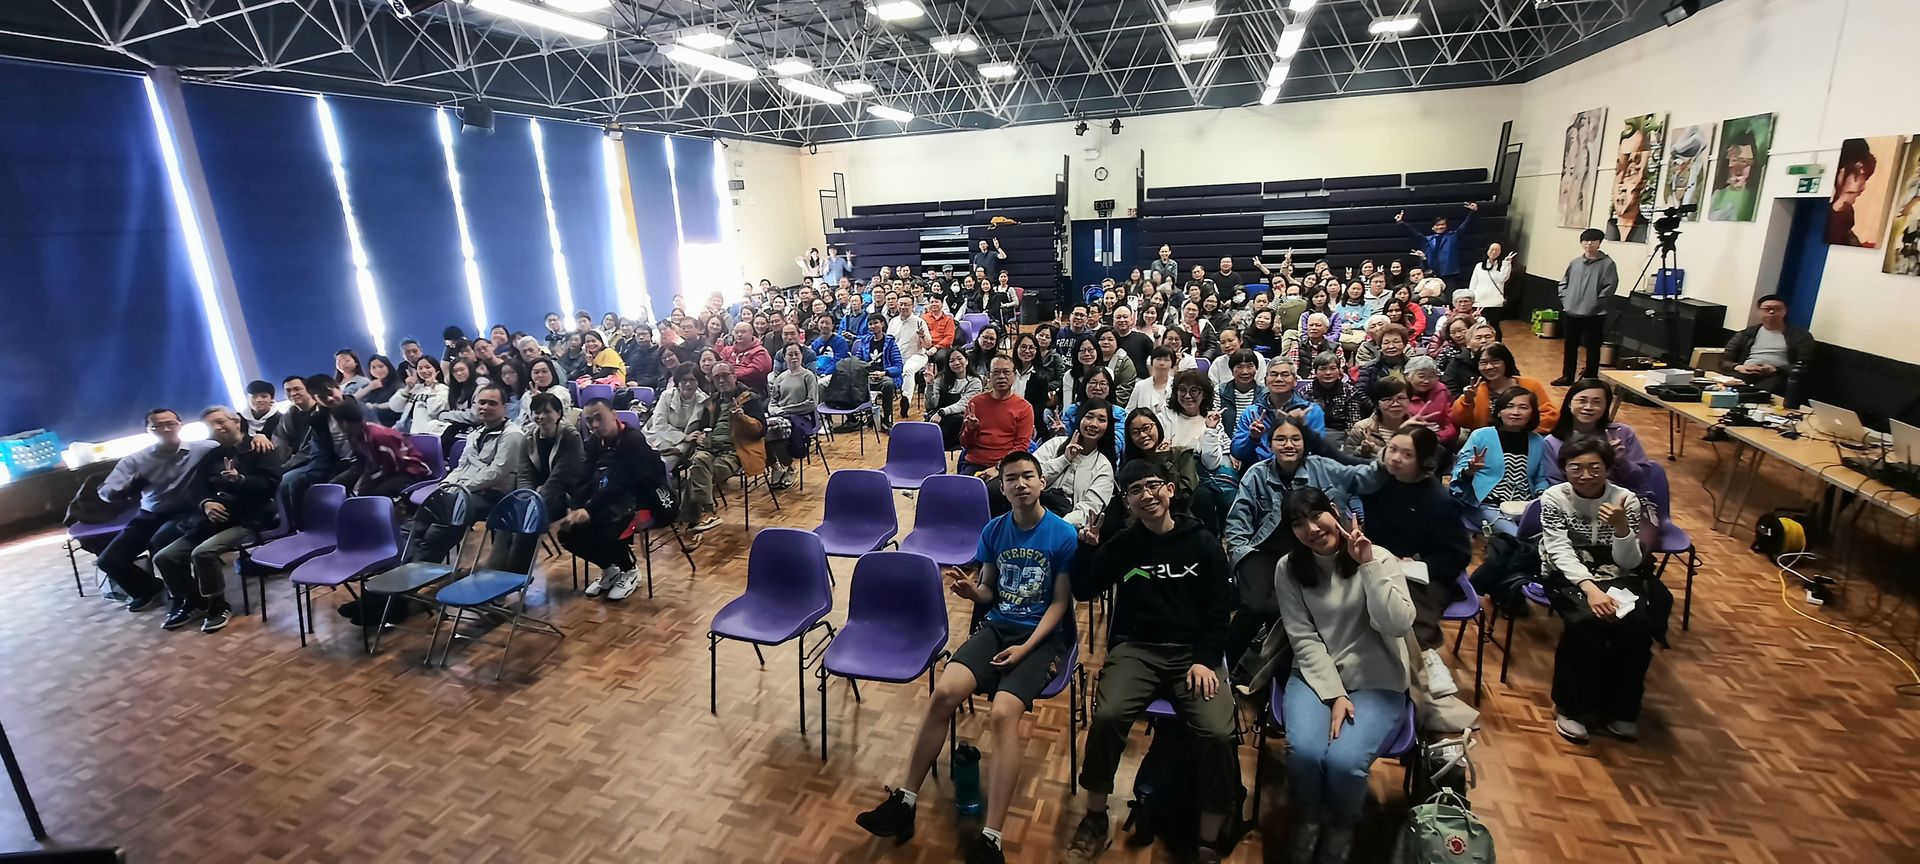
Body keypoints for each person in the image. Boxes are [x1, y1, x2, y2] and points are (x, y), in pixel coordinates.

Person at [856, 452, 1076, 864]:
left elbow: (1060, 604)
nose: (1021, 484)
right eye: (1012, 479)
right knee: (944, 693)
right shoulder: (993, 531)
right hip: (997, 627)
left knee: (1002, 715)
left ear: (1042, 481)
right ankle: (905, 801)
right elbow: (990, 590)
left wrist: (1025, 649)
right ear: (1003, 487)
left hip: (1042, 639)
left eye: (1028, 476)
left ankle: (991, 836)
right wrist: (973, 594)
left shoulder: (1061, 534)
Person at [1062, 459, 1238, 864]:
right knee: (1107, 717)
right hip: (1137, 648)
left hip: (1192, 654)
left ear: (1170, 490)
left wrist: (1206, 659)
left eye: (1153, 485)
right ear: (1128, 503)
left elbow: (1221, 607)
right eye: (1136, 491)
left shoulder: (1202, 541)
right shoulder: (1126, 545)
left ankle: (1208, 842)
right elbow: (1087, 588)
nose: (1147, 495)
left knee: (1217, 734)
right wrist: (1087, 551)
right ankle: (1094, 819)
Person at [1271, 487, 1416, 864]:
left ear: (1333, 511)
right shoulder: (1289, 569)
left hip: (1376, 677)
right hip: (1317, 675)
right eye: (1298, 524)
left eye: (1316, 515)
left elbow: (1397, 624)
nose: (1312, 529)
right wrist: (1335, 693)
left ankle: (1341, 824)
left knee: (1344, 761)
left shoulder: (1378, 557)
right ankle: (1310, 818)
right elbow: (1302, 636)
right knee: (1303, 753)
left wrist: (1366, 565)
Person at [1224, 417, 1384, 665]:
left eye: (1295, 439)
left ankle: (1273, 667)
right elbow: (1237, 520)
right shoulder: (1257, 473)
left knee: (1286, 610)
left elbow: (1360, 481)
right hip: (1261, 551)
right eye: (1281, 439)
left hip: (1309, 551)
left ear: (1304, 442)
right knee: (1254, 606)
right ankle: (1224, 663)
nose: (1289, 445)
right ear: (1270, 443)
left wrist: (1381, 456)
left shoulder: (1323, 467)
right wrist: (1241, 553)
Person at [1540, 435, 1666, 744]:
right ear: (1564, 470)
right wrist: (1591, 588)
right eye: (1575, 468)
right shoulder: (1554, 498)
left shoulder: (1625, 500)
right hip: (1568, 575)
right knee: (1585, 625)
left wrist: (1622, 528)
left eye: (1594, 468)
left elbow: (1630, 561)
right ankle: (1570, 707)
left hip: (1619, 575)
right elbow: (1559, 551)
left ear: (1607, 468)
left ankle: (1621, 709)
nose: (1585, 476)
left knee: (1637, 628)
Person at [1360, 426, 1472, 698]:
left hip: (1425, 569)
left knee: (1405, 608)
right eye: (1393, 449)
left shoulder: (1438, 499)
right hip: (1376, 558)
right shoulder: (1377, 481)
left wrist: (1418, 563)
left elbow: (1457, 554)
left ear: (1422, 461)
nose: (1396, 458)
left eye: (1407, 454)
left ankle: (1425, 657)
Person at [149, 406, 280, 632]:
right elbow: (197, 489)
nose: (216, 428)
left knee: (203, 553)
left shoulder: (260, 448)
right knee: (164, 557)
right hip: (213, 519)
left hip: (249, 519)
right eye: (210, 425)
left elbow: (269, 486)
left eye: (220, 422)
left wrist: (240, 480)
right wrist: (206, 503)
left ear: (236, 422)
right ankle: (192, 601)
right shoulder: (212, 454)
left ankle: (218, 605)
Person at [400, 384, 529, 566]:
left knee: (442, 525)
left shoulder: (513, 435)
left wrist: (460, 488)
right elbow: (461, 466)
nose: (485, 407)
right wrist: (446, 485)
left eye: (492, 403)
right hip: (464, 491)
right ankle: (400, 566)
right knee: (421, 518)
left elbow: (495, 473)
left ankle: (417, 571)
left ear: (504, 407)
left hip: (494, 496)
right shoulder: (475, 433)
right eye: (481, 402)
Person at [565, 399, 667, 601]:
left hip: (644, 499)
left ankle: (630, 570)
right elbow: (583, 477)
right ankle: (610, 568)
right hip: (609, 498)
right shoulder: (594, 442)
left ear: (614, 415)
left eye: (599, 418)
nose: (594, 425)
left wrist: (590, 509)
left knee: (605, 527)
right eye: (589, 421)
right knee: (569, 533)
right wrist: (576, 507)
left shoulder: (633, 440)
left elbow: (623, 481)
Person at [680, 363, 766, 539]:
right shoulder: (713, 401)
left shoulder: (750, 399)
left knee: (698, 473)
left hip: (736, 451)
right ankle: (705, 513)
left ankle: (696, 515)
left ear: (735, 376)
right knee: (699, 461)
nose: (721, 380)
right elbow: (704, 426)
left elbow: (761, 431)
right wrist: (701, 437)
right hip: (711, 447)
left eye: (725, 375)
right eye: (716, 377)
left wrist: (743, 418)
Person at [1452, 387, 1549, 535]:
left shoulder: (1538, 441)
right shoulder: (1481, 435)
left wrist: (1542, 496)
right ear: (1499, 411)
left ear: (1532, 413)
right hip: (1486, 504)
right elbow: (1459, 472)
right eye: (1509, 406)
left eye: (1523, 407)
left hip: (1524, 505)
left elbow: (1540, 477)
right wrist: (1470, 470)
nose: (1515, 412)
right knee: (1518, 537)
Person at [1546, 379, 1650, 488]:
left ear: (1606, 407)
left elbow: (1642, 479)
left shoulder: (1622, 432)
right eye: (1582, 401)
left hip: (1626, 498)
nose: (1588, 407)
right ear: (1569, 403)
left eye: (1597, 402)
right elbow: (1555, 484)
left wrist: (1621, 461)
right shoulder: (1553, 441)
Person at [1029, 399, 1116, 527]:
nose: (1093, 424)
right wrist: (1064, 459)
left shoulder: (1103, 467)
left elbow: (1088, 509)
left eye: (1101, 420)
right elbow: (1030, 479)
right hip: (1032, 513)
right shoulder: (1055, 444)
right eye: (1089, 417)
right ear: (1080, 418)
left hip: (1066, 528)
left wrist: (1058, 527)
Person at [1554, 228, 1618, 385]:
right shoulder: (1575, 263)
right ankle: (1567, 376)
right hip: (1571, 311)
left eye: (1593, 241)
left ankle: (1591, 377)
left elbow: (1609, 287)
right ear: (1581, 243)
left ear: (1599, 243)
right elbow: (1564, 282)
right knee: (1570, 345)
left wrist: (1596, 304)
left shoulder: (1607, 264)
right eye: (1586, 241)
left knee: (1593, 347)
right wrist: (1565, 299)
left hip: (1595, 314)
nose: (1589, 244)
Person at [332, 399, 432, 498]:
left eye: (337, 422)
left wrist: (371, 479)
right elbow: (368, 462)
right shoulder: (354, 436)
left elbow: (395, 467)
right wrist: (364, 478)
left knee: (376, 495)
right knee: (361, 492)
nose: (336, 426)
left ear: (344, 423)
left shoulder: (378, 436)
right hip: (389, 470)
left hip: (411, 471)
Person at [1718, 294, 1817, 394]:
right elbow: (1724, 360)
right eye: (1767, 309)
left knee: (1761, 393)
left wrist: (1776, 370)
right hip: (1747, 372)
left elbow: (1804, 364)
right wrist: (1740, 367)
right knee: (1724, 388)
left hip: (1778, 375)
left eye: (1777, 309)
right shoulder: (1746, 334)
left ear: (1785, 311)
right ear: (1759, 312)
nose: (1771, 312)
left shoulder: (1799, 335)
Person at [1232, 360, 1326, 464]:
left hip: (1301, 470)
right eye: (1273, 374)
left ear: (1295, 381)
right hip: (1261, 472)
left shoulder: (1311, 412)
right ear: (1266, 380)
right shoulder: (1252, 413)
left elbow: (1319, 453)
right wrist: (1252, 438)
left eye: (1285, 375)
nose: (1279, 379)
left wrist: (1304, 429)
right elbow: (1237, 453)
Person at [1450, 342, 1557, 433]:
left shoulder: (1530, 385)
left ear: (1506, 362)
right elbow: (1460, 421)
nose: (1489, 367)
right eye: (1483, 363)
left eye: (1495, 361)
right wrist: (1467, 401)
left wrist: (1522, 429)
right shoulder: (1476, 391)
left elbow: (1550, 415)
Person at [958, 356, 1034, 476]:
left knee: (994, 491)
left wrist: (999, 467)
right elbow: (965, 444)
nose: (1001, 377)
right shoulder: (975, 403)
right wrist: (971, 429)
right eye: (996, 372)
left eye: (1006, 372)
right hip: (975, 462)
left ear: (1014, 375)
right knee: (963, 490)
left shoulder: (1024, 407)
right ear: (989, 375)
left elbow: (1021, 446)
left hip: (1007, 465)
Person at [765, 343, 821, 490]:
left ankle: (789, 467)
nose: (794, 357)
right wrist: (775, 410)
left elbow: (811, 403)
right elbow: (773, 402)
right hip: (781, 416)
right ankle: (776, 466)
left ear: (802, 355)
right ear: (784, 357)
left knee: (777, 436)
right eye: (790, 354)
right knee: (760, 432)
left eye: (797, 354)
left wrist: (786, 410)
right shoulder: (781, 377)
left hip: (801, 418)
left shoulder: (808, 376)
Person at [645, 365, 707, 474]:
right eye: (684, 380)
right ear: (677, 382)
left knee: (664, 463)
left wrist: (687, 440)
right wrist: (683, 437)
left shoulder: (704, 401)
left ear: (698, 381)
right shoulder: (666, 396)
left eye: (692, 380)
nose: (688, 384)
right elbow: (659, 424)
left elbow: (699, 432)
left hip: (684, 446)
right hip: (658, 436)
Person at [925, 348, 984, 450]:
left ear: (966, 360)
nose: (956, 363)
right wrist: (930, 385)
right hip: (937, 419)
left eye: (959, 359)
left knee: (931, 439)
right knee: (921, 436)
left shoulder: (975, 382)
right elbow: (931, 405)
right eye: (951, 361)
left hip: (958, 422)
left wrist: (941, 412)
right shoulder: (941, 378)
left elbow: (963, 404)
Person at [853, 316, 904, 430]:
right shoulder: (865, 342)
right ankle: (854, 419)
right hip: (867, 376)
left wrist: (884, 372)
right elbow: (857, 361)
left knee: (888, 384)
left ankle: (887, 419)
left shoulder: (891, 343)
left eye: (876, 323)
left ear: (882, 324)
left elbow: (898, 367)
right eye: (870, 324)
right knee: (848, 383)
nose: (873, 326)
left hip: (884, 375)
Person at [1302, 352, 1370, 434]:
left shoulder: (1350, 391)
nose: (1328, 373)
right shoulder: (1305, 392)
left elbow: (1353, 423)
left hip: (1341, 435)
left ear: (1339, 371)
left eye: (1332, 368)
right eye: (1323, 369)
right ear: (1315, 372)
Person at [888, 292, 933, 416]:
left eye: (906, 305)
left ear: (912, 306)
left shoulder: (920, 322)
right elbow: (888, 342)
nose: (903, 307)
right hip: (897, 357)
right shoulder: (893, 322)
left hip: (917, 355)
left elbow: (928, 345)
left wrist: (922, 336)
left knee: (908, 369)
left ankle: (906, 399)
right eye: (901, 304)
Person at [1401, 356, 1459, 448]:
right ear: (1407, 376)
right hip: (1409, 440)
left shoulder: (1442, 390)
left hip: (1440, 440)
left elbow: (1450, 421)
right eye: (1421, 376)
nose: (1426, 381)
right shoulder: (1400, 394)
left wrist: (1439, 437)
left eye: (1431, 376)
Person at [389, 357, 450, 436]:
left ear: (436, 369)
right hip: (413, 433)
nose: (424, 371)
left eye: (428, 367)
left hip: (434, 434)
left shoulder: (443, 389)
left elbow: (434, 411)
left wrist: (433, 389)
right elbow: (395, 407)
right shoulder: (415, 388)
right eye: (420, 368)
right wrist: (407, 388)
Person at [1468, 243, 1515, 340]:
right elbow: (1473, 283)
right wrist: (1470, 298)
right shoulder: (1479, 266)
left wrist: (1507, 263)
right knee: (1477, 324)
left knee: (1494, 325)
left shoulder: (1503, 265)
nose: (1494, 252)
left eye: (1497, 250)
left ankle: (1496, 345)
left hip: (1494, 302)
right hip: (1479, 301)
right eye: (1492, 249)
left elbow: (1503, 278)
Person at [1126, 347, 1178, 419]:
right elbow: (1129, 411)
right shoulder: (1140, 386)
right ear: (1152, 362)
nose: (1162, 363)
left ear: (1172, 363)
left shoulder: (1176, 385)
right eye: (1158, 359)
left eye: (1166, 360)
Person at [1094, 326, 1140, 407]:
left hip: (1114, 407)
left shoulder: (1125, 363)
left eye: (1110, 339)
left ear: (1117, 343)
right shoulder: (1091, 359)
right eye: (1102, 339)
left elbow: (1124, 391)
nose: (1105, 342)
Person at [241, 379, 282, 444]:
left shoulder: (281, 420)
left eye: (264, 396)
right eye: (254, 396)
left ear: (271, 398)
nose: (259, 400)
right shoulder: (238, 419)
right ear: (247, 398)